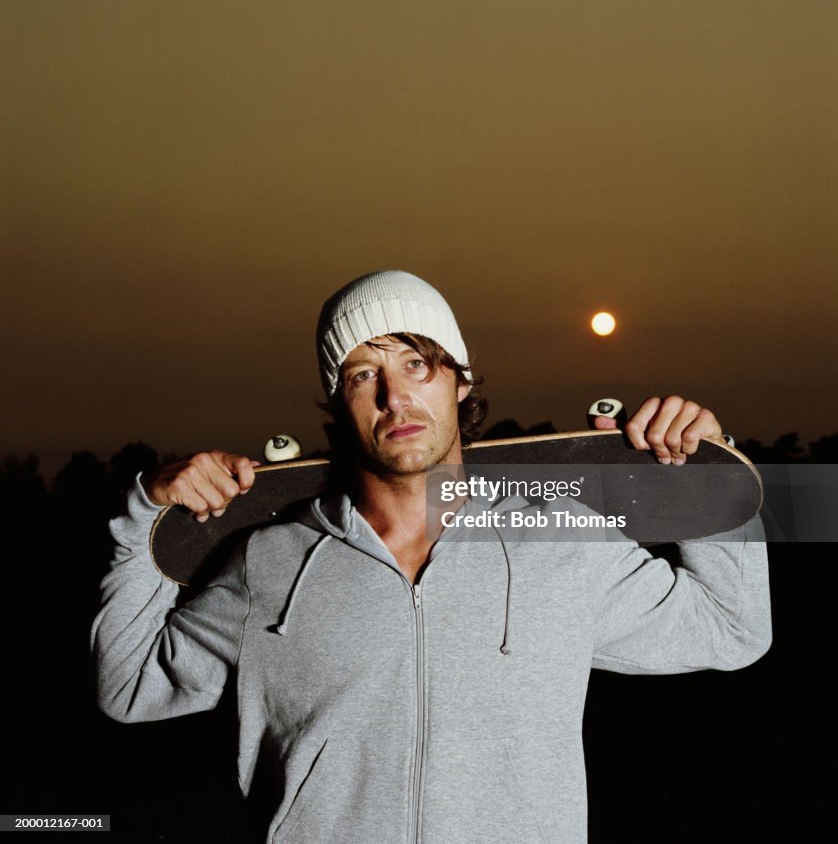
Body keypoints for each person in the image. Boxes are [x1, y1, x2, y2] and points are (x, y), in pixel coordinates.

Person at [92, 270, 771, 844]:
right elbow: (130, 687)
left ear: (460, 382)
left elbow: (733, 628)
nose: (396, 396)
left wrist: (708, 486)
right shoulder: (271, 563)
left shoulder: (562, 547)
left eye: (417, 363)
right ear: (339, 400)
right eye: (365, 374)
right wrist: (145, 513)